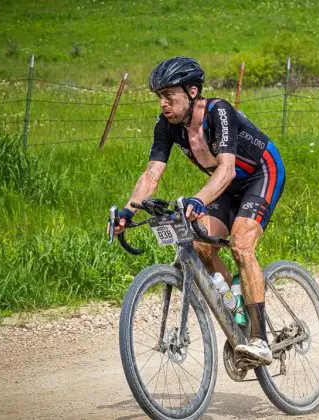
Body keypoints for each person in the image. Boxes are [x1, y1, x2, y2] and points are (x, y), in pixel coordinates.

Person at [114, 57, 285, 365]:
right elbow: (152, 173)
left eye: (169, 95)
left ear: (192, 92)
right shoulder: (166, 126)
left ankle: (260, 340)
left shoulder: (218, 111)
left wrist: (198, 199)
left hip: (262, 173)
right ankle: (237, 307)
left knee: (241, 245)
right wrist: (128, 211)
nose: (163, 103)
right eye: (159, 97)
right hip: (226, 185)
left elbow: (228, 168)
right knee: (200, 246)